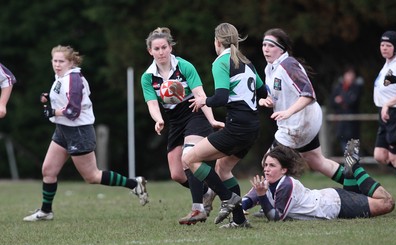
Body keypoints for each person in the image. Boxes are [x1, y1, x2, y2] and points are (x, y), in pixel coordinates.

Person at [23, 45, 148, 222]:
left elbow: (73, 111)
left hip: (78, 131)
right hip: (63, 130)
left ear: (71, 62)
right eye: (55, 60)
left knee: (92, 176)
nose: (57, 64)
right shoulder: (62, 76)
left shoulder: (73, 78)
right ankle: (46, 211)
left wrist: (53, 112)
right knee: (48, 170)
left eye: (61, 61)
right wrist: (49, 98)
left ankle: (134, 184)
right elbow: (64, 98)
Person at [250, 28, 361, 217]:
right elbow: (274, 94)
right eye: (263, 45)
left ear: (281, 49)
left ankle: (266, 203)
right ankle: (354, 184)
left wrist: (287, 112)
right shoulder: (271, 68)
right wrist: (265, 100)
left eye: (270, 45)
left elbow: (308, 94)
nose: (265, 49)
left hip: (298, 123)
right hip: (303, 121)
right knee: (317, 161)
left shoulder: (288, 65)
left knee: (268, 162)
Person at [182, 22, 267, 228]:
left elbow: (221, 97)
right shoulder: (246, 62)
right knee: (223, 167)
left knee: (190, 157)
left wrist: (204, 101)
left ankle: (227, 197)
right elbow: (263, 92)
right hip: (251, 128)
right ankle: (239, 220)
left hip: (237, 127)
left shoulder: (221, 62)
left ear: (217, 41)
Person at [141, 27, 224, 225]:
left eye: (164, 47)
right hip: (174, 119)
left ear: (171, 48)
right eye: (157, 49)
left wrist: (211, 120)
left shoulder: (184, 66)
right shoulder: (148, 77)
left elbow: (200, 96)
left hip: (194, 113)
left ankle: (198, 209)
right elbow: (152, 104)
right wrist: (158, 119)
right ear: (150, 51)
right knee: (177, 174)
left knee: (188, 158)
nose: (161, 52)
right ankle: (209, 191)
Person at [243, 142, 394, 221]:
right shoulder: (266, 183)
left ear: (284, 170)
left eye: (272, 165)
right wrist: (240, 207)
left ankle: (354, 167)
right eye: (265, 165)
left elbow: (276, 218)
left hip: (336, 205)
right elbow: (247, 200)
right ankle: (349, 173)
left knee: (387, 202)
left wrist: (262, 196)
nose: (266, 169)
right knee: (356, 194)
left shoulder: (286, 184)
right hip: (330, 197)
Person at [373, 30, 396, 179]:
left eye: (388, 45)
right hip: (385, 114)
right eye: (382, 45)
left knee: (395, 157)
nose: (384, 48)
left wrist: (387, 104)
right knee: (380, 155)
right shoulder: (388, 64)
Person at [330, 65, 364, 152]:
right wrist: (343, 101)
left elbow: (352, 101)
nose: (350, 76)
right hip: (341, 124)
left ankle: (354, 165)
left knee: (352, 150)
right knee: (345, 148)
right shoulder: (338, 87)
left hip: (352, 124)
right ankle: (351, 165)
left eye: (352, 74)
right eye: (348, 74)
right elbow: (332, 102)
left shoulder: (357, 87)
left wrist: (341, 100)